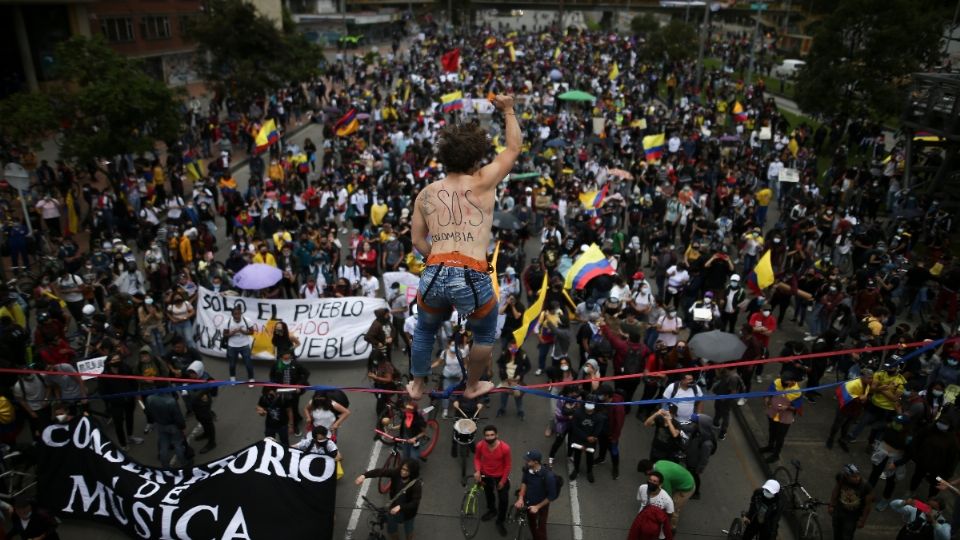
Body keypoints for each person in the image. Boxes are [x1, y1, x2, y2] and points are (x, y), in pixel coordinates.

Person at [408, 95, 521, 401]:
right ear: (475, 160)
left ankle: (417, 385)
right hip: (471, 272)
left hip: (435, 270)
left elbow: (417, 241)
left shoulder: (426, 194)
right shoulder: (484, 180)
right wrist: (508, 110)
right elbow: (513, 149)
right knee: (484, 333)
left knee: (424, 331)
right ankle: (472, 385)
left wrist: (437, 260)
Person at [356, 458, 423, 540]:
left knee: (408, 529)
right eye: (402, 468)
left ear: (412, 472)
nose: (403, 472)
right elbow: (380, 471)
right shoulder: (396, 473)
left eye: (407, 471)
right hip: (393, 509)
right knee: (391, 530)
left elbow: (415, 502)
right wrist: (364, 476)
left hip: (408, 513)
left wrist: (400, 507)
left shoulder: (416, 484)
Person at [473, 425, 512, 536]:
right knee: (488, 494)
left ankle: (500, 521)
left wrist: (502, 481)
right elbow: (477, 458)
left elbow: (508, 465)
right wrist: (478, 471)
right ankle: (492, 510)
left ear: (497, 435)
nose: (489, 437)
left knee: (503, 500)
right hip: (486, 475)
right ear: (484, 436)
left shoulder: (505, 448)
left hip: (500, 476)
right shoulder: (480, 445)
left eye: (492, 435)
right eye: (487, 435)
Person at [637, 459, 695, 532]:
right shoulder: (658, 463)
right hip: (685, 478)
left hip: (686, 487)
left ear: (648, 471)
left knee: (673, 508)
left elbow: (668, 496)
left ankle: (671, 529)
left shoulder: (663, 475)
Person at [144, 382, 191, 467]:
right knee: (178, 444)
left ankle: (165, 465)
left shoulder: (150, 398)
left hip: (160, 425)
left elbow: (148, 412)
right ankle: (184, 463)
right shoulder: (171, 401)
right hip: (173, 426)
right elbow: (178, 416)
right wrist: (182, 426)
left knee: (164, 446)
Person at [515, 450, 559, 540]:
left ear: (535, 462)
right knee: (532, 524)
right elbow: (524, 482)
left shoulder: (548, 476)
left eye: (528, 460)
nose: (526, 462)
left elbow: (551, 496)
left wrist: (537, 507)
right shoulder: (527, 469)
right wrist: (520, 497)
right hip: (529, 503)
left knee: (541, 529)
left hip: (541, 507)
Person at [761, 373, 804, 463]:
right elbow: (769, 392)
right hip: (773, 412)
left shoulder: (796, 392)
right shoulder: (777, 382)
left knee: (780, 436)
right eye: (783, 381)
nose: (783, 384)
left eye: (786, 383)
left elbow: (798, 406)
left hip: (785, 417)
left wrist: (787, 407)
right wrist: (767, 399)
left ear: (793, 381)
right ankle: (770, 446)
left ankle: (776, 455)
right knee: (772, 430)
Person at [827, 369, 874, 450]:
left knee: (847, 426)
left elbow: (865, 395)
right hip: (845, 408)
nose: (871, 380)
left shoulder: (867, 384)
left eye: (871, 378)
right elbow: (844, 395)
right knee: (837, 425)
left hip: (856, 409)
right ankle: (831, 438)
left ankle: (842, 440)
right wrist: (859, 398)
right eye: (869, 378)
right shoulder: (853, 384)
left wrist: (864, 399)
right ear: (862, 376)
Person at [829, 463, 874, 540]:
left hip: (852, 516)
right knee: (836, 531)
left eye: (858, 475)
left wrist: (862, 520)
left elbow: (868, 505)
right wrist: (832, 505)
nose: (857, 478)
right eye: (853, 476)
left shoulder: (866, 486)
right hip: (839, 510)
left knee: (847, 535)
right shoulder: (841, 478)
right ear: (846, 476)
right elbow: (836, 490)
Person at [628, 470, 674, 540]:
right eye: (650, 480)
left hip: (656, 524)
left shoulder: (667, 500)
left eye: (655, 481)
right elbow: (641, 500)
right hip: (642, 518)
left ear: (660, 484)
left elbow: (670, 514)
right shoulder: (642, 488)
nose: (651, 482)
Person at [224, 304, 255, 383]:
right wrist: (232, 333)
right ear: (232, 315)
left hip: (244, 345)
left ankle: (251, 378)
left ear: (241, 313)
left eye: (239, 314)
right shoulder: (227, 322)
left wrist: (243, 331)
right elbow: (225, 334)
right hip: (232, 346)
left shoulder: (247, 321)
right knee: (232, 364)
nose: (237, 316)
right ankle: (232, 377)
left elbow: (252, 332)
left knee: (248, 363)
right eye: (235, 314)